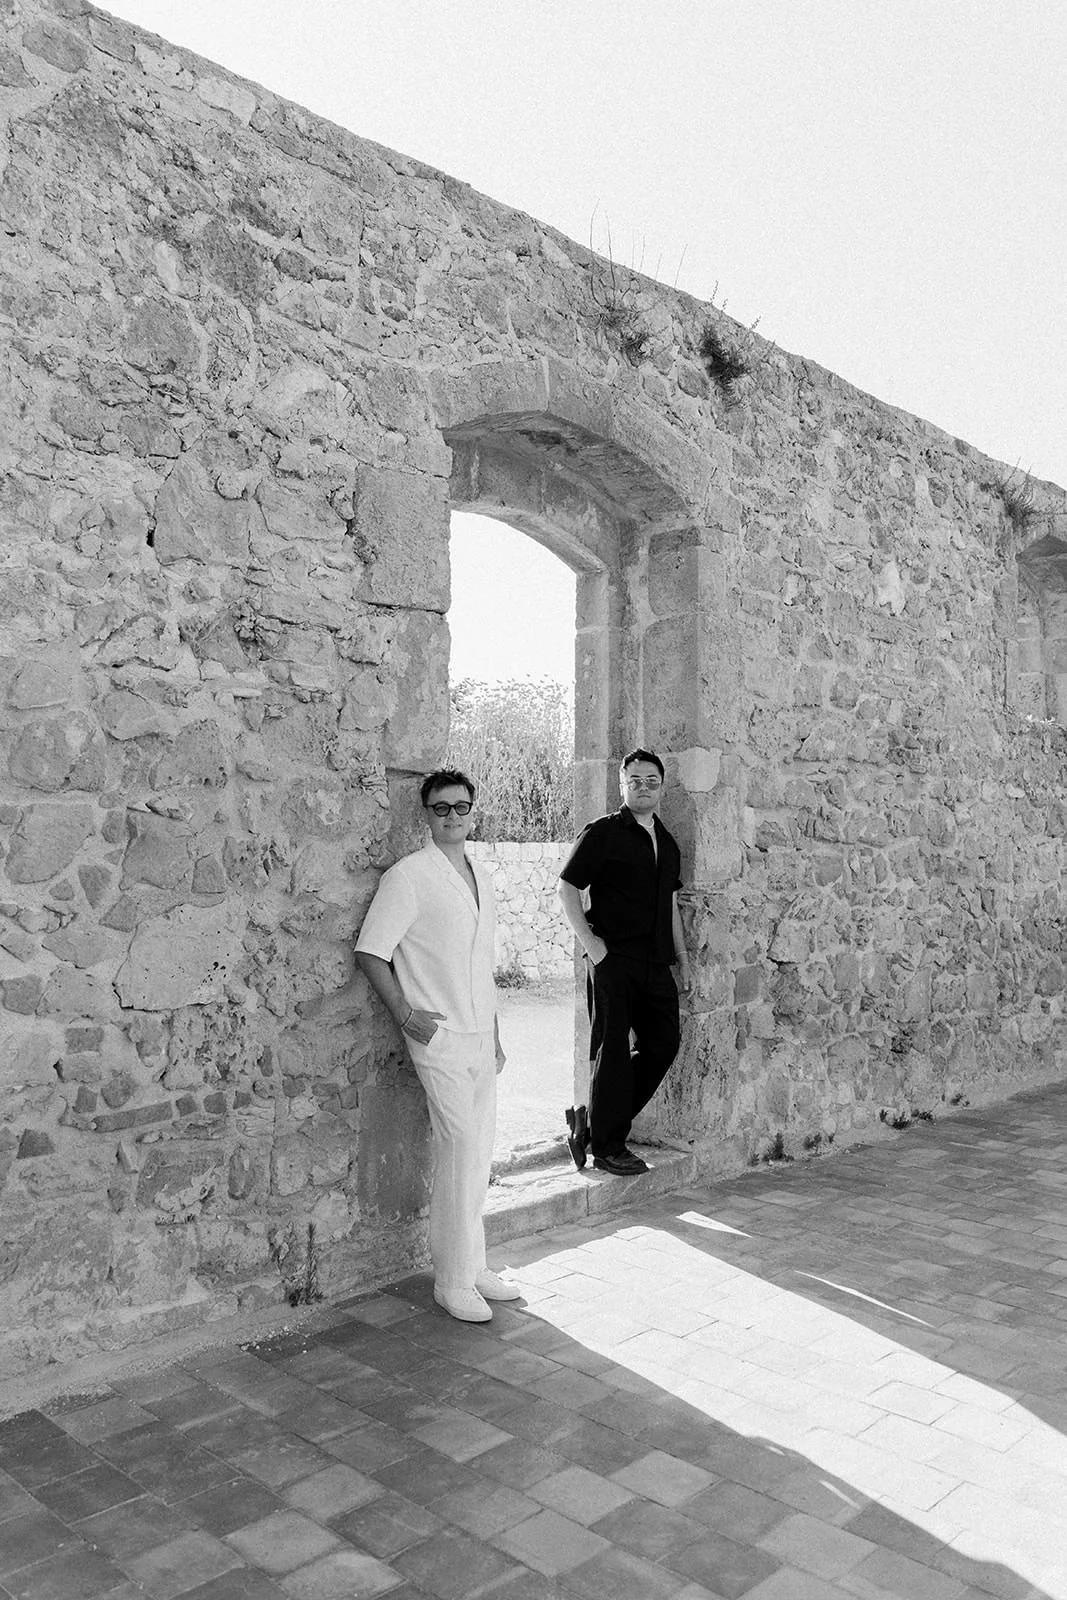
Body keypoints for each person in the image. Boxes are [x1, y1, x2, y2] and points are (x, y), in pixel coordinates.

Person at [355, 769, 518, 1323]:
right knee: (460, 1148)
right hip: (439, 1035)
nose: (452, 817)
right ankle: (450, 1281)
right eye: (441, 808)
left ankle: (473, 1265)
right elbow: (371, 951)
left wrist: (494, 1032)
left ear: (473, 812)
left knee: (480, 1153)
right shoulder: (408, 877)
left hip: (479, 1035)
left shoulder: (482, 875)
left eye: (461, 807)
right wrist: (406, 1015)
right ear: (426, 814)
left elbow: (482, 964)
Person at [558, 749, 690, 1176]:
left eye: (651, 780)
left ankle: (594, 1125)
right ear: (623, 785)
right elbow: (567, 887)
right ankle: (608, 1147)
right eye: (635, 781)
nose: (644, 787)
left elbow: (670, 904)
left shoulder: (667, 842)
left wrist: (682, 958)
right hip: (613, 958)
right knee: (612, 1050)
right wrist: (593, 946)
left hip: (656, 962)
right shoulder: (602, 833)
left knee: (663, 1044)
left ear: (662, 786)